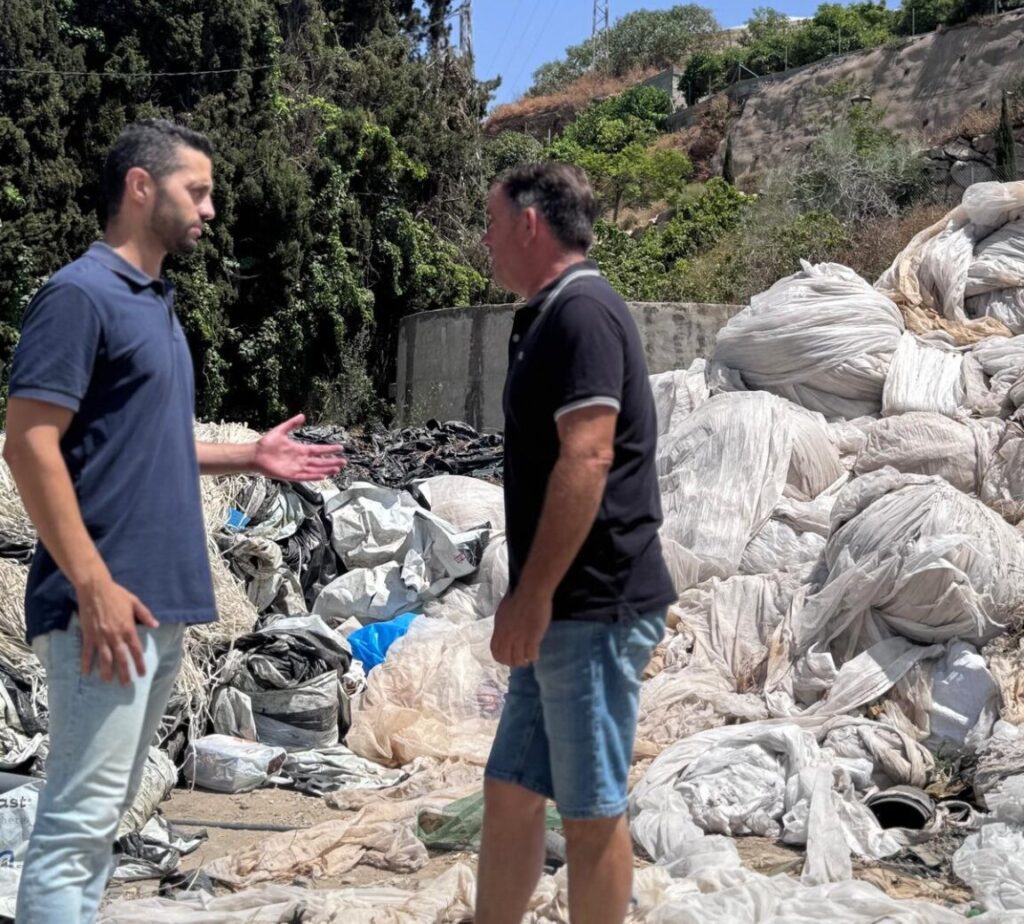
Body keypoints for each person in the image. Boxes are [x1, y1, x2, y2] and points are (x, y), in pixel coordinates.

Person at [5, 119, 346, 923]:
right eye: (197, 191)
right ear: (140, 186)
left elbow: (147, 441)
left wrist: (251, 455)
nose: (210, 209)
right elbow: (28, 441)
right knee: (78, 825)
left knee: (105, 821)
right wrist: (92, 582)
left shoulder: (153, 306)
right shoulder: (80, 296)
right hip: (103, 604)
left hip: (155, 603)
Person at [476, 161, 676, 924]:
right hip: (561, 607)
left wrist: (532, 596)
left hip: (591, 605)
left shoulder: (583, 313)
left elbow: (588, 457)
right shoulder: (547, 315)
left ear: (530, 224)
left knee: (590, 811)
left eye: (493, 224)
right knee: (512, 789)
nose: (486, 241)